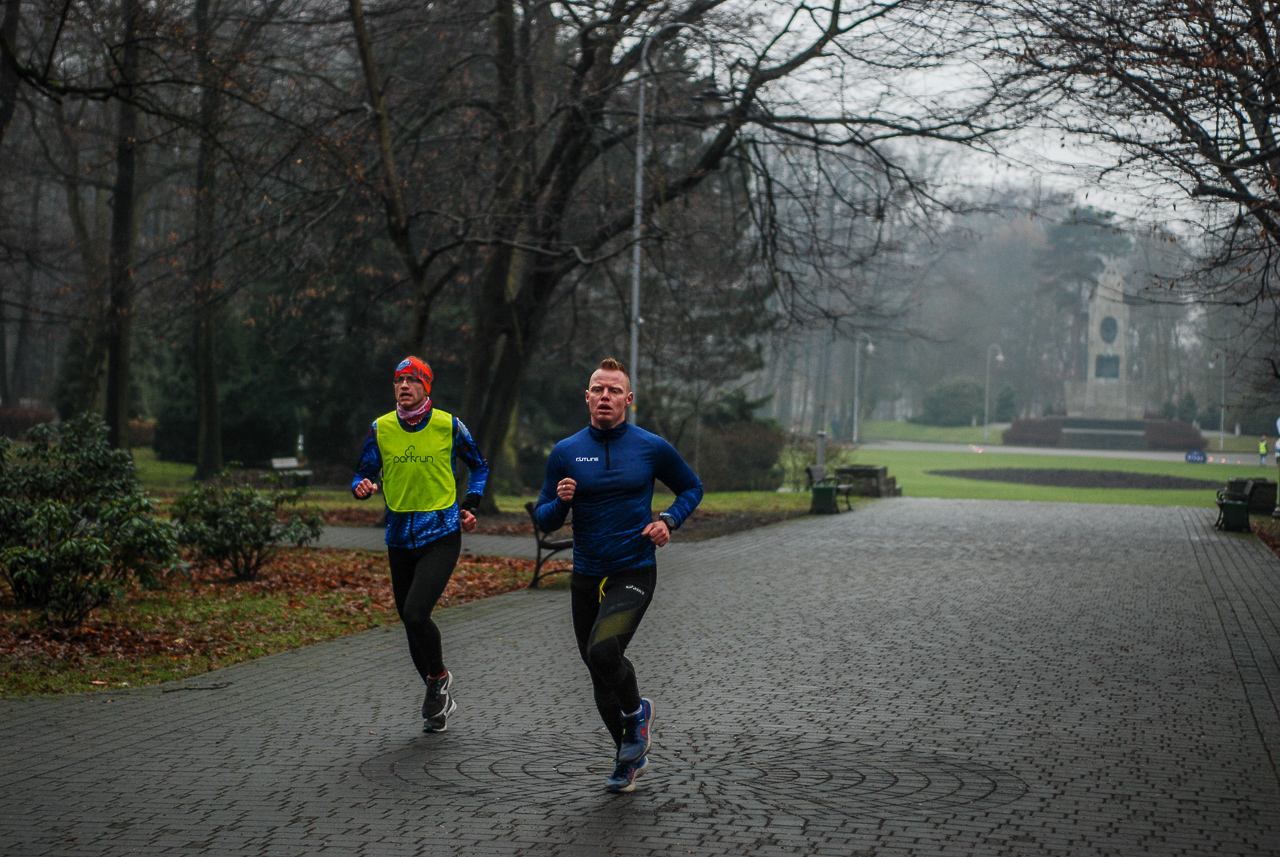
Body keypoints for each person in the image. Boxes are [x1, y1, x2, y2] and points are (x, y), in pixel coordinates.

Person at [534, 358, 703, 793]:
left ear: (627, 399)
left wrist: (669, 519)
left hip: (634, 569)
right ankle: (628, 756)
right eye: (597, 389)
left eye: (613, 390)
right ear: (586, 397)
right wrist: (561, 501)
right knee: (597, 668)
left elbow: (692, 487)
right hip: (587, 574)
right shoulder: (566, 452)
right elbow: (546, 520)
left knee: (605, 651)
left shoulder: (650, 447)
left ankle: (636, 716)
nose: (604, 396)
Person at [351, 356, 489, 732]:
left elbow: (479, 465)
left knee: (415, 612)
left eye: (413, 380)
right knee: (410, 622)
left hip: (441, 535)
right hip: (399, 539)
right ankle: (437, 692)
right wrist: (362, 487)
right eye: (399, 381)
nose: (404, 387)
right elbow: (363, 474)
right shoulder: (380, 429)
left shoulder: (449, 426)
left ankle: (438, 679)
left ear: (426, 386)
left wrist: (470, 502)